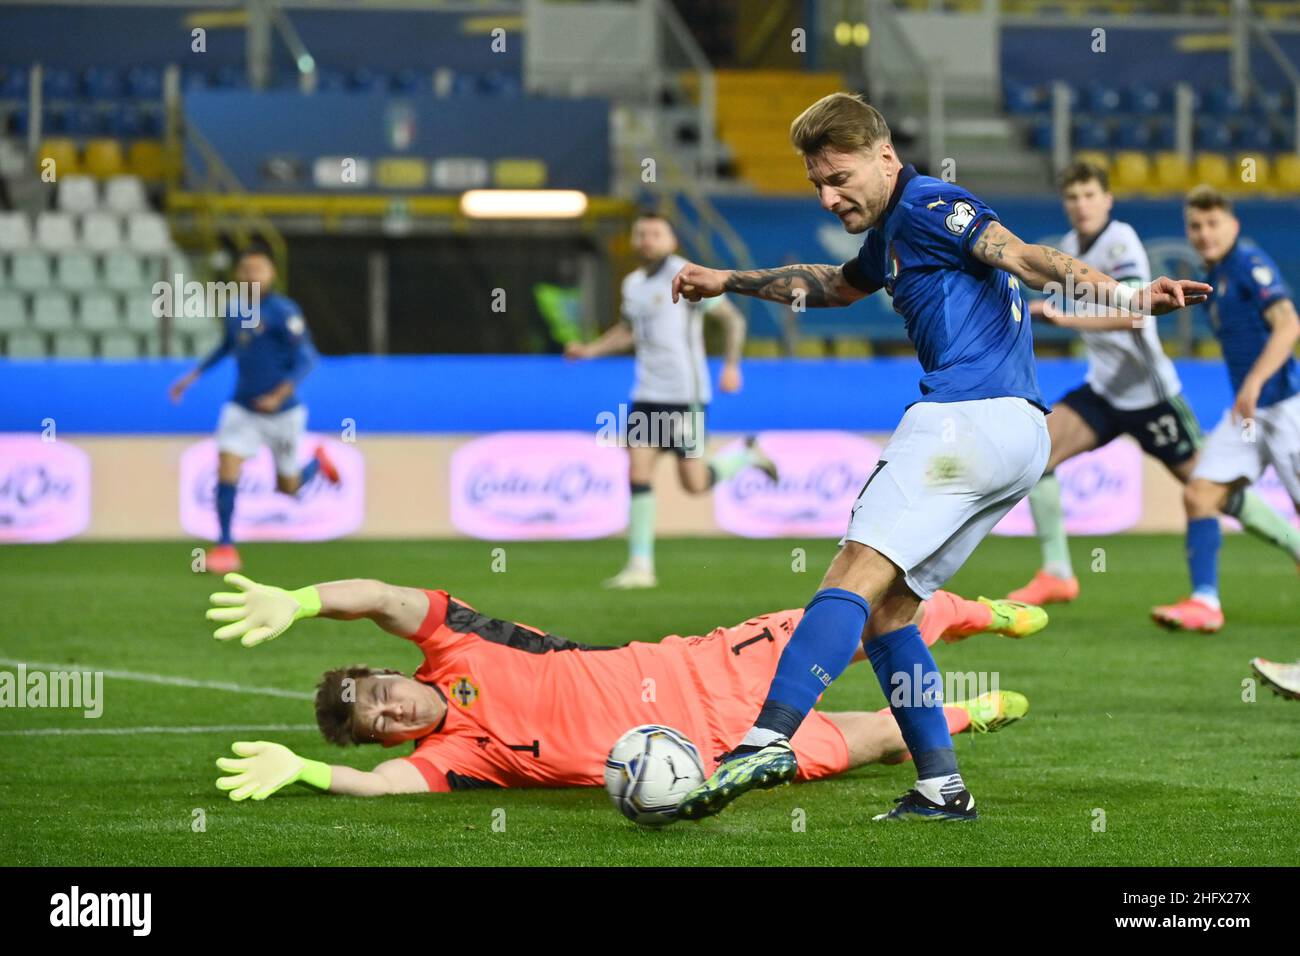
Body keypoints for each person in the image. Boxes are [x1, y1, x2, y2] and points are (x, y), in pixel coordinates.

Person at [668, 92, 1208, 821]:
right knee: (891, 613)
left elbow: (1026, 258)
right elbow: (834, 286)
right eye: (817, 184)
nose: (828, 197)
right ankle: (941, 786)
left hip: (964, 420)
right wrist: (726, 280)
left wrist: (1131, 297)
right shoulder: (893, 229)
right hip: (1018, 435)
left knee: (853, 573)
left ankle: (766, 739)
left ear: (885, 156)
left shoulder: (929, 205)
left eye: (839, 178)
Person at [204, 573, 1044, 800]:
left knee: (867, 617)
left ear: (388, 669)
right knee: (881, 738)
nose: (391, 711)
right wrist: (307, 770)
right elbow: (383, 787)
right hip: (709, 755)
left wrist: (301, 601)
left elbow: (383, 597)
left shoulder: (455, 642)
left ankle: (982, 614)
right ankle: (966, 715)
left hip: (704, 667)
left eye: (378, 693)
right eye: (378, 724)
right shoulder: (459, 754)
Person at [566, 211, 777, 589]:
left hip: (685, 395)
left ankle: (746, 457)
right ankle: (640, 567)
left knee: (693, 484)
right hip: (647, 393)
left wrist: (732, 366)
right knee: (637, 472)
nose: (647, 240)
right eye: (641, 233)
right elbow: (628, 331)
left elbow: (732, 320)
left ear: (672, 240)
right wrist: (590, 351)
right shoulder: (632, 284)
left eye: (655, 233)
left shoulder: (688, 275)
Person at [1152, 186, 1300, 632]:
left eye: (1213, 223)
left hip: (1285, 408)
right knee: (1199, 493)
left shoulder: (1249, 264)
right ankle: (1205, 601)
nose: (1204, 233)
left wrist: (1254, 382)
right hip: (1247, 414)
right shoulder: (1212, 280)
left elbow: (1288, 324)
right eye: (1195, 226)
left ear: (1233, 225)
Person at [169, 248, 338, 574]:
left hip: (283, 413)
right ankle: (225, 546)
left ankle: (317, 463)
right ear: (238, 275)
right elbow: (226, 347)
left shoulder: (284, 311)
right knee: (226, 465)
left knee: (288, 488)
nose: (251, 276)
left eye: (258, 269)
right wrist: (192, 376)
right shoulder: (234, 310)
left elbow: (307, 359)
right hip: (243, 408)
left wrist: (277, 395)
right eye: (246, 269)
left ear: (271, 274)